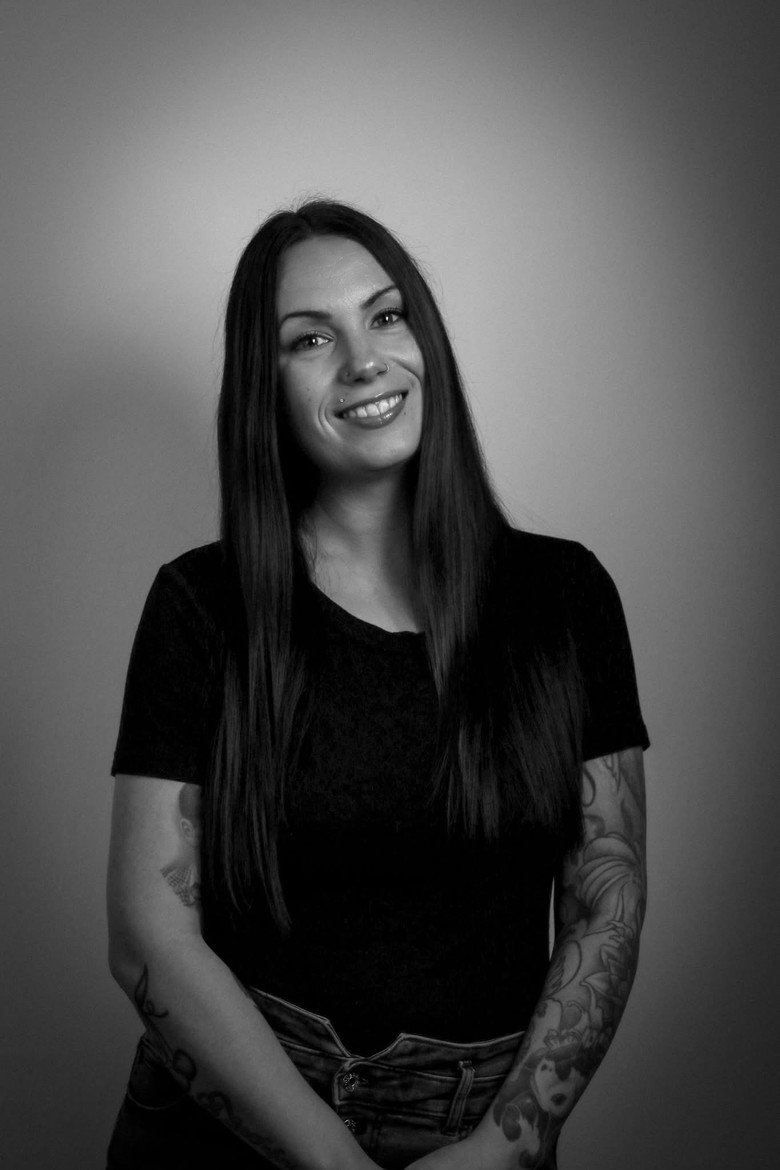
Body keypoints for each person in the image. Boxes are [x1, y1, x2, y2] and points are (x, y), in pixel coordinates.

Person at [106, 200, 649, 1170]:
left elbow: (605, 899)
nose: (365, 361)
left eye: (387, 316)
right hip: (233, 1125)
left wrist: (507, 1147)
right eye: (311, 338)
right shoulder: (201, 607)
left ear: (424, 340)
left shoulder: (564, 597)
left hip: (481, 1132)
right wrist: (330, 1162)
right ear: (265, 385)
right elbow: (149, 934)